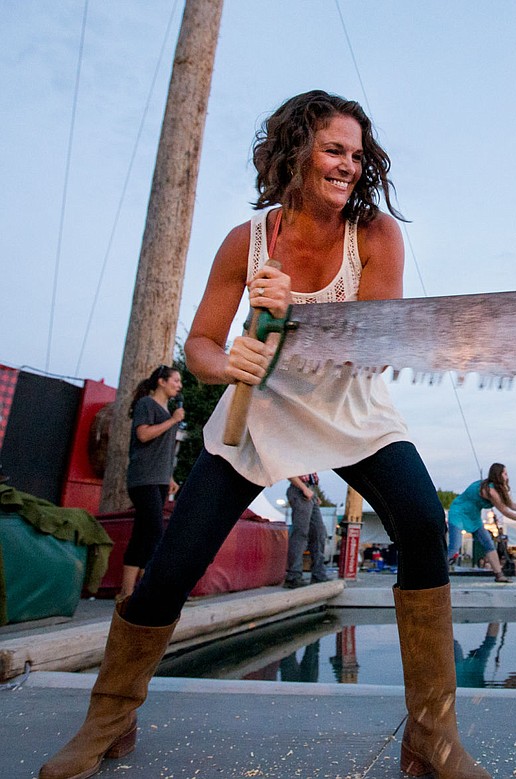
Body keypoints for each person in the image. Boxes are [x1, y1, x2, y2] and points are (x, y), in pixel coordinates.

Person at [39, 91, 489, 779]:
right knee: (171, 567)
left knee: (425, 523)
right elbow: (200, 347)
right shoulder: (245, 243)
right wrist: (233, 359)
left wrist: (278, 327)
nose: (348, 165)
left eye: (357, 155)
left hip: (354, 408)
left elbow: (373, 341)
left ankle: (432, 737)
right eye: (334, 149)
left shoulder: (376, 235)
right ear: (298, 150)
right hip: (263, 412)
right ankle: (110, 718)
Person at [121, 365, 184, 599]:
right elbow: (144, 435)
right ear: (162, 381)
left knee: (142, 533)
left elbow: (161, 450)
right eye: (175, 380)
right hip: (143, 478)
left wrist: (169, 477)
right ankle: (148, 590)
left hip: (158, 479)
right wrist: (173, 421)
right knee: (155, 531)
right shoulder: (147, 405)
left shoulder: (167, 411)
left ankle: (127, 592)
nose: (179, 385)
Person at [447, 462, 516, 583]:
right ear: (498, 475)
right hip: (458, 512)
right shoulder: (490, 491)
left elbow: (510, 504)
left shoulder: (496, 489)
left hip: (473, 516)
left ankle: (499, 575)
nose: (507, 476)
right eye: (505, 473)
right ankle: (434, 573)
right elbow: (506, 511)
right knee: (455, 547)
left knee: (488, 543)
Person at [283, 473, 329, 588]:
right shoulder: (296, 455)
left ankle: (318, 574)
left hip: (309, 489)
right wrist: (304, 489)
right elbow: (289, 471)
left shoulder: (309, 457)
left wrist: (313, 493)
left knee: (319, 532)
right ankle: (293, 575)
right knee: (301, 533)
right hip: (300, 489)